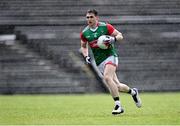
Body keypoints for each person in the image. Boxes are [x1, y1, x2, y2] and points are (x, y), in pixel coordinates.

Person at [80, 9, 142, 115]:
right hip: (99, 61)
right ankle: (133, 92)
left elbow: (120, 35)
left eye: (91, 17)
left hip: (110, 56)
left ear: (96, 18)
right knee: (116, 86)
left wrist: (113, 39)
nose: (89, 19)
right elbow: (83, 46)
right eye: (87, 17)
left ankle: (118, 106)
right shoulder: (85, 33)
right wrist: (86, 56)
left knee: (107, 78)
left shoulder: (105, 27)